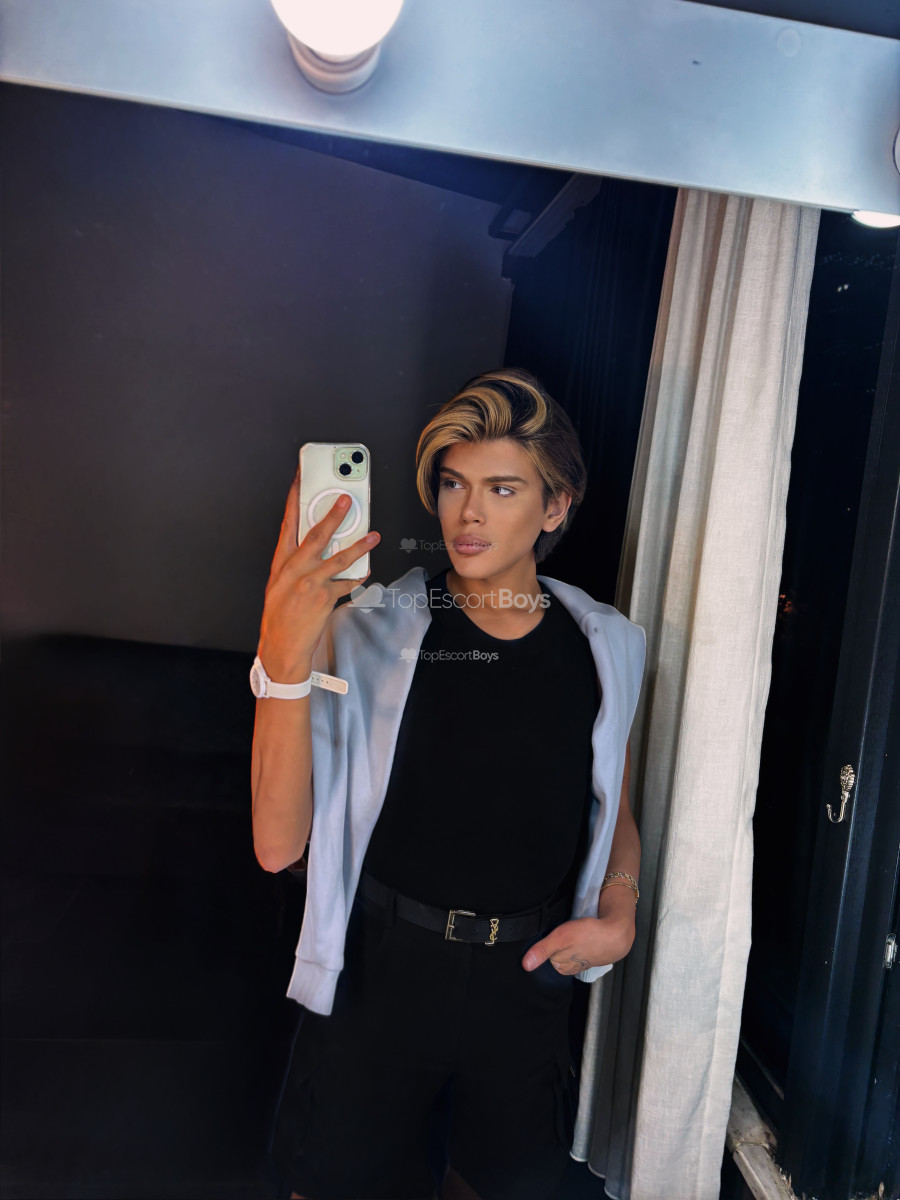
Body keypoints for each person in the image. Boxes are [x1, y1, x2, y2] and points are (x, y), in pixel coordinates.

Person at [250, 368, 645, 1200]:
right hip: (382, 973)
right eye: (454, 484)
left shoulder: (605, 644)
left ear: (556, 506)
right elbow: (278, 844)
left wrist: (621, 910)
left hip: (526, 977)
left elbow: (610, 801)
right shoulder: (367, 632)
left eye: (502, 489)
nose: (468, 514)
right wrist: (283, 654)